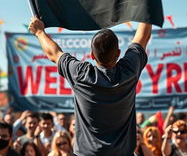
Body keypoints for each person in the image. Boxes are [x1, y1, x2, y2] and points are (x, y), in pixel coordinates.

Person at [29, 17, 151, 156]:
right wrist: (147, 11)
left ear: (92, 55)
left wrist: (39, 32)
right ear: (118, 53)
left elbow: (54, 54)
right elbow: (143, 37)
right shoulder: (129, 71)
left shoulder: (81, 75)